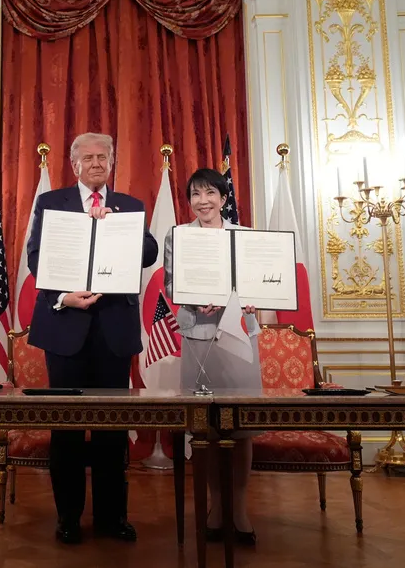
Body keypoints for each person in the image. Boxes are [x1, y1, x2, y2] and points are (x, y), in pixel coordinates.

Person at [26, 132, 159, 545]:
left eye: (104, 156)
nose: (97, 163)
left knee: (112, 430)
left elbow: (150, 253)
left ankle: (112, 518)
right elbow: (36, 257)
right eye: (89, 157)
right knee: (65, 429)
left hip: (113, 332)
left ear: (112, 162)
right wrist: (64, 296)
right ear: (75, 164)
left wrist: (120, 228)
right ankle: (68, 518)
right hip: (65, 326)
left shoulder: (129, 206)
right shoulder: (51, 203)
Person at [163, 167, 260, 545]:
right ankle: (216, 507)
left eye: (210, 193)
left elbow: (257, 282)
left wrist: (251, 297)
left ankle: (240, 508)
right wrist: (193, 299)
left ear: (223, 198)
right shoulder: (178, 236)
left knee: (242, 427)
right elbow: (172, 283)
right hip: (198, 335)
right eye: (195, 194)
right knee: (205, 427)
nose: (202, 201)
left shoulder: (245, 237)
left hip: (238, 334)